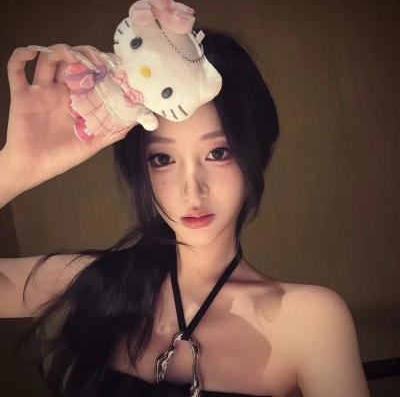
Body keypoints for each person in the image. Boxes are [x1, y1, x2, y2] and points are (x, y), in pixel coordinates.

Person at [0, 29, 370, 396]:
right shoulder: (101, 284)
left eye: (218, 153)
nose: (192, 191)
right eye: (162, 159)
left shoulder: (310, 321)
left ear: (253, 156)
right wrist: (15, 168)